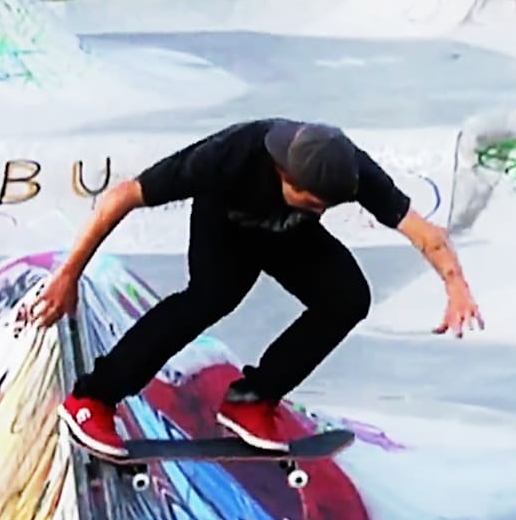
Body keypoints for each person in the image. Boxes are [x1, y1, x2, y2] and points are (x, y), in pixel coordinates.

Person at [32, 118, 484, 456]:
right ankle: (92, 398)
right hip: (224, 227)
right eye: (314, 201)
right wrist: (70, 274)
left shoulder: (352, 170)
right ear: (285, 175)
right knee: (210, 299)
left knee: (348, 298)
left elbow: (424, 231)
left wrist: (456, 286)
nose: (324, 208)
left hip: (287, 235)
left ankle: (251, 399)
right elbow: (122, 196)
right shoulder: (228, 156)